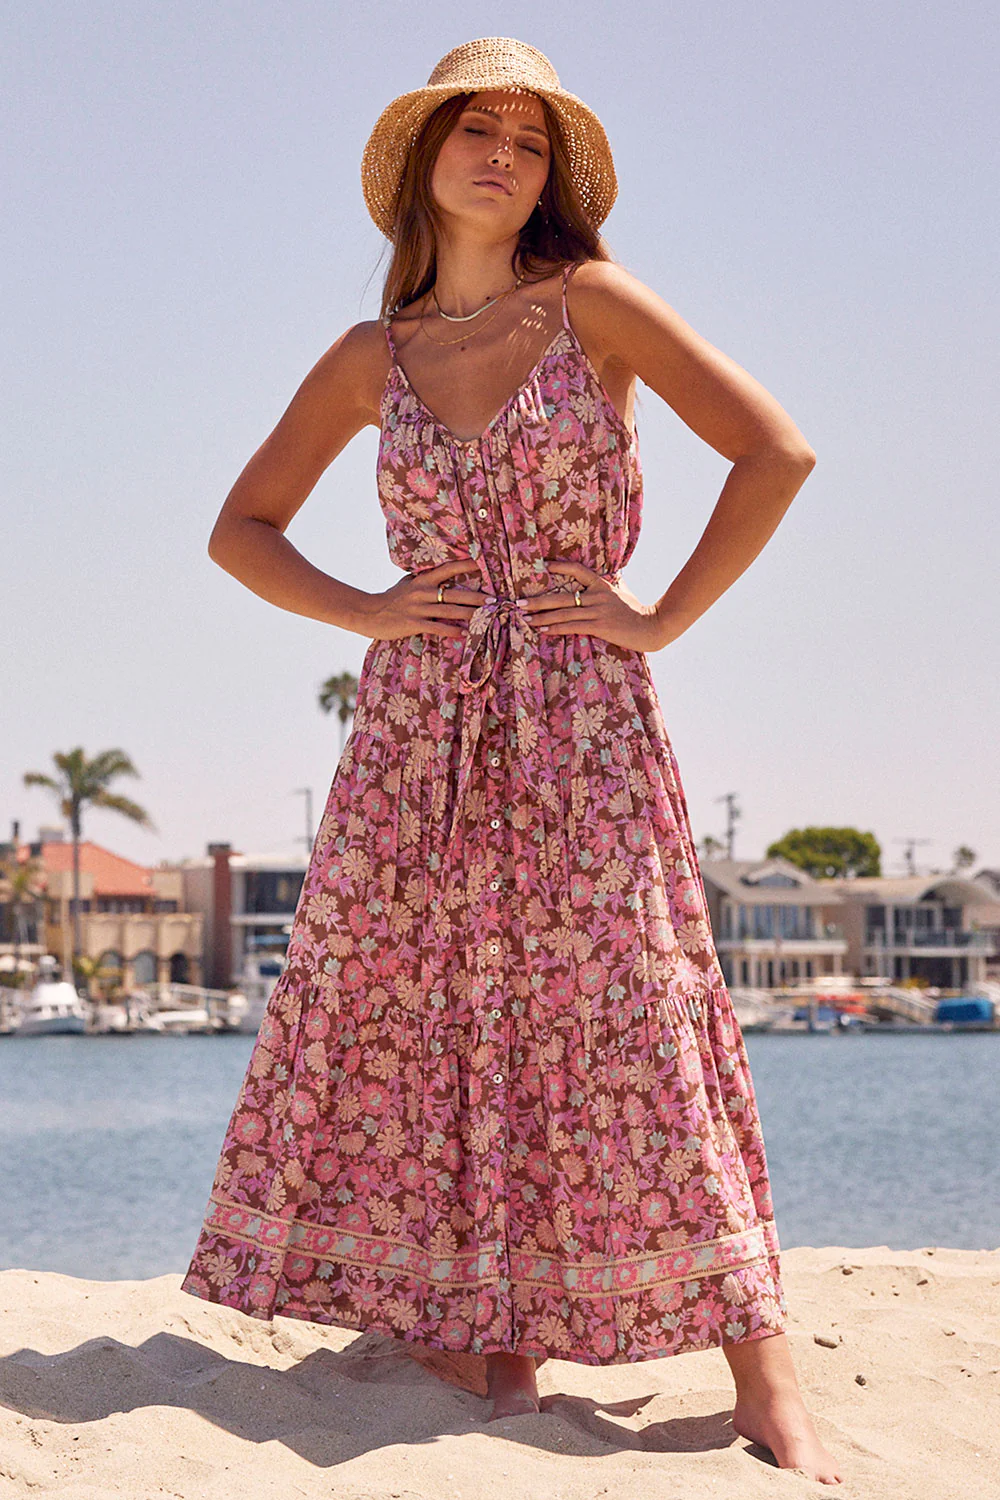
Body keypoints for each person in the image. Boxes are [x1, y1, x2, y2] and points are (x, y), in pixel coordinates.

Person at [181, 36, 841, 1485]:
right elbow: (242, 527)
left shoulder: (590, 305)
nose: (501, 154)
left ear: (550, 180)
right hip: (416, 739)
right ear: (424, 162)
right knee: (436, 1026)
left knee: (632, 1023)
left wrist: (657, 616)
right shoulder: (374, 358)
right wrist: (364, 609)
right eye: (474, 131)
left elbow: (774, 451)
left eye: (527, 142)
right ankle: (493, 1348)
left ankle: (766, 1378)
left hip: (582, 722)